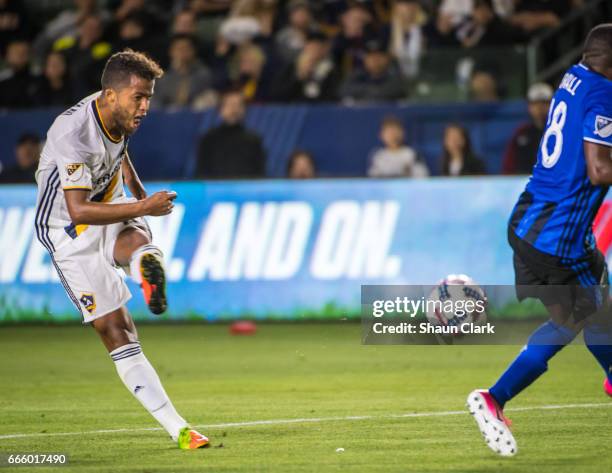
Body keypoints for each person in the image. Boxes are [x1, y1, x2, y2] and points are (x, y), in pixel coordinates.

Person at [33, 49, 209, 449]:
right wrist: (145, 206)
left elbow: (119, 147)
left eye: (149, 97)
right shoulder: (72, 134)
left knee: (132, 238)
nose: (145, 106)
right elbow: (77, 209)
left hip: (108, 199)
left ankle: (144, 260)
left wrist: (135, 185)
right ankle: (143, 260)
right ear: (109, 94)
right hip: (66, 229)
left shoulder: (120, 114)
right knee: (115, 329)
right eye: (139, 98)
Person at [467, 24, 612, 456]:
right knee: (576, 318)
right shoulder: (604, 93)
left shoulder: (574, 77)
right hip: (557, 237)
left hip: (532, 221)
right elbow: (600, 170)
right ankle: (492, 398)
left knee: (594, 307)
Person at [195, 89, 266, 178]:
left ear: (244, 110)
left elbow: (259, 174)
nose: (234, 109)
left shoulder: (254, 140)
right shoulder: (208, 139)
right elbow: (201, 173)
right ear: (220, 110)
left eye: (238, 105)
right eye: (229, 105)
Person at [272, 29, 340, 103]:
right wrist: (299, 76)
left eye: (317, 47)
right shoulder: (291, 67)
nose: (313, 50)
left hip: (317, 110)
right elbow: (277, 94)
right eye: (310, 46)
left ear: (324, 49)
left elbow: (331, 97)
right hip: (292, 109)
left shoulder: (330, 70)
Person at [502, 82, 553, 174]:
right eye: (535, 103)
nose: (539, 108)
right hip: (522, 181)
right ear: (529, 106)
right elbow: (509, 165)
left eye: (544, 103)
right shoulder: (521, 132)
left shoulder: (561, 132)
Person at [151, 34, 213, 108]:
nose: (182, 52)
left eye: (186, 48)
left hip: (194, 110)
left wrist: (185, 73)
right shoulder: (164, 77)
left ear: (193, 51)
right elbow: (160, 97)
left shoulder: (203, 73)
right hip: (169, 112)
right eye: (179, 49)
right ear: (171, 52)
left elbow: (204, 93)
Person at [340, 38, 405, 103]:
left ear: (387, 58)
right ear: (365, 59)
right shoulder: (357, 75)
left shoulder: (394, 75)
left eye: (379, 56)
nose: (375, 60)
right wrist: (372, 90)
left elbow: (399, 90)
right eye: (371, 56)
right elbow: (343, 91)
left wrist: (368, 92)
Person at [0, 39, 39, 108]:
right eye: (16, 53)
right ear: (7, 56)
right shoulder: (3, 81)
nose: (20, 56)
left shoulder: (38, 78)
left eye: (24, 53)